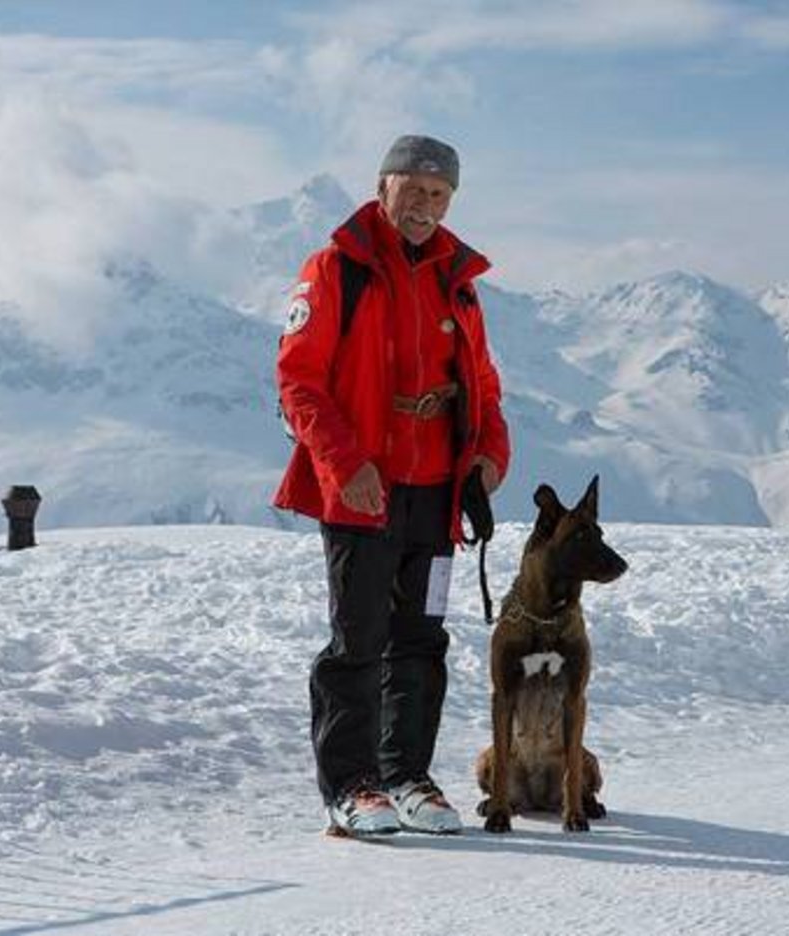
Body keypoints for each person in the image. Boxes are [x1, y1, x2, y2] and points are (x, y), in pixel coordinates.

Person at [274, 134, 510, 837]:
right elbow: (300, 382)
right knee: (358, 639)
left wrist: (489, 456)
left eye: (439, 196)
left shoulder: (456, 281)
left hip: (435, 489)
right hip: (361, 489)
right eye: (414, 191)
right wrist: (347, 465)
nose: (425, 207)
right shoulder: (335, 270)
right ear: (384, 188)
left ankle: (406, 775)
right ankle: (352, 785)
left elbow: (486, 388)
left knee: (420, 637)